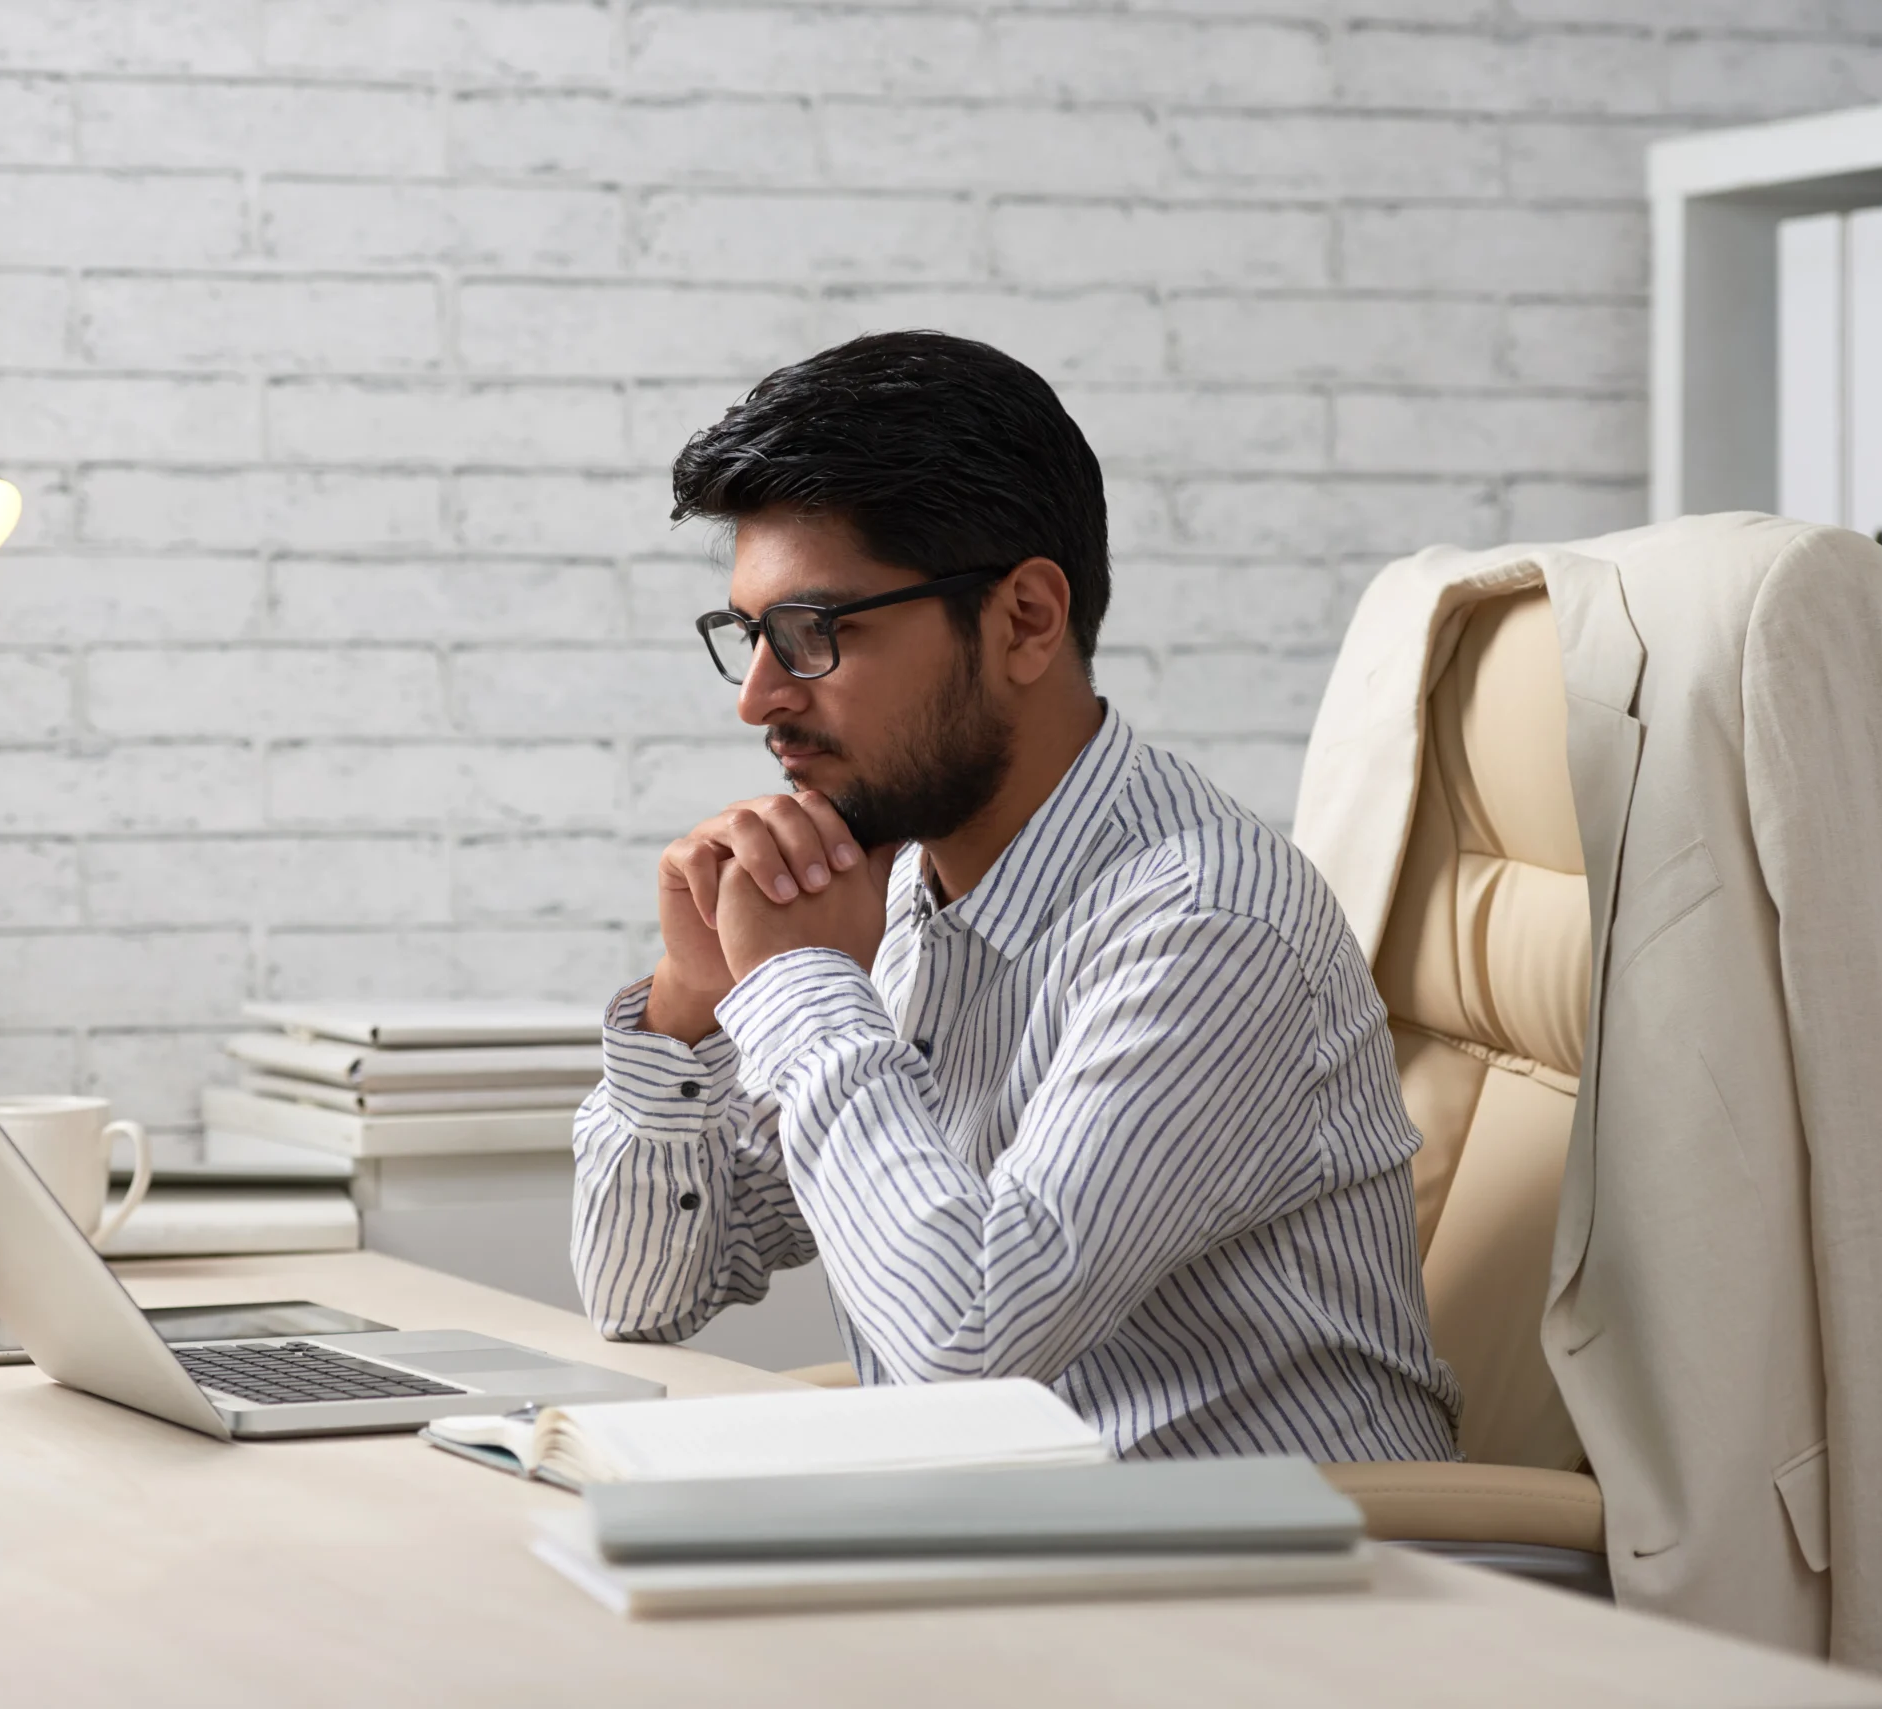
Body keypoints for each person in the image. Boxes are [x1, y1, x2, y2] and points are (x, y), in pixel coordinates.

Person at [569, 330, 1459, 1461]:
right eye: (749, 636)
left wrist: (800, 987)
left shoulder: (1201, 925)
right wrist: (690, 1013)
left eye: (812, 635)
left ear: (1025, 620)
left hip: (1276, 1587)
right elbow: (640, 1291)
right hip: (1027, 1545)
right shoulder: (896, 895)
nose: (755, 700)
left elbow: (966, 1344)